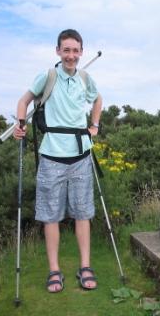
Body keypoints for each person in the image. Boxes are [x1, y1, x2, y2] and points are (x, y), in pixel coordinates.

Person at [13, 29, 102, 292]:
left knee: (83, 212)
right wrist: (20, 124)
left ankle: (85, 267)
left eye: (75, 51)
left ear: (81, 52)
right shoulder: (48, 76)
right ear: (58, 51)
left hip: (81, 154)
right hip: (51, 155)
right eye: (67, 50)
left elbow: (97, 99)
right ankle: (54, 271)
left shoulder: (86, 78)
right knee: (50, 215)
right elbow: (24, 101)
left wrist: (94, 125)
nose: (71, 56)